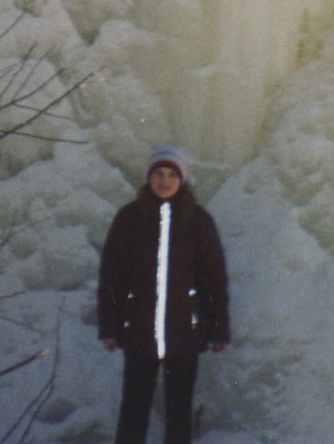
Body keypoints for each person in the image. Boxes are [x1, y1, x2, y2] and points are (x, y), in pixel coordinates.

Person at [98, 147, 230, 444]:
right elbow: (112, 277)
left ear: (182, 179)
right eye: (159, 174)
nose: (165, 181)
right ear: (149, 178)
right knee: (133, 408)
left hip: (184, 332)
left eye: (172, 175)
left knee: (179, 412)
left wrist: (218, 328)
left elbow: (214, 280)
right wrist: (110, 326)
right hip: (140, 331)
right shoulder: (130, 218)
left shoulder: (198, 221)